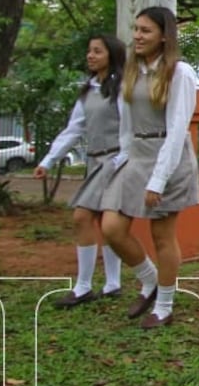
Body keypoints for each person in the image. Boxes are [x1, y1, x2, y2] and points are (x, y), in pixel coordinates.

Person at [100, 6, 199, 330]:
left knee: (162, 236)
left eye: (145, 30)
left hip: (168, 157)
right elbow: (127, 126)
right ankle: (150, 279)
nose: (137, 36)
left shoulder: (179, 73)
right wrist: (121, 161)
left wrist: (158, 180)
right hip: (137, 156)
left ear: (163, 36)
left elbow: (176, 130)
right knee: (112, 228)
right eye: (136, 29)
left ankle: (164, 305)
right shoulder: (133, 70)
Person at [34, 34, 131, 307]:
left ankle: (85, 286)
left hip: (115, 162)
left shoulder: (121, 87)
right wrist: (48, 161)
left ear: (111, 55)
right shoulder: (88, 89)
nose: (90, 56)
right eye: (89, 51)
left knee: (83, 217)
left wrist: (121, 162)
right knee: (97, 220)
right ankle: (111, 284)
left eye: (97, 51)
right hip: (94, 161)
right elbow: (74, 128)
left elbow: (129, 128)